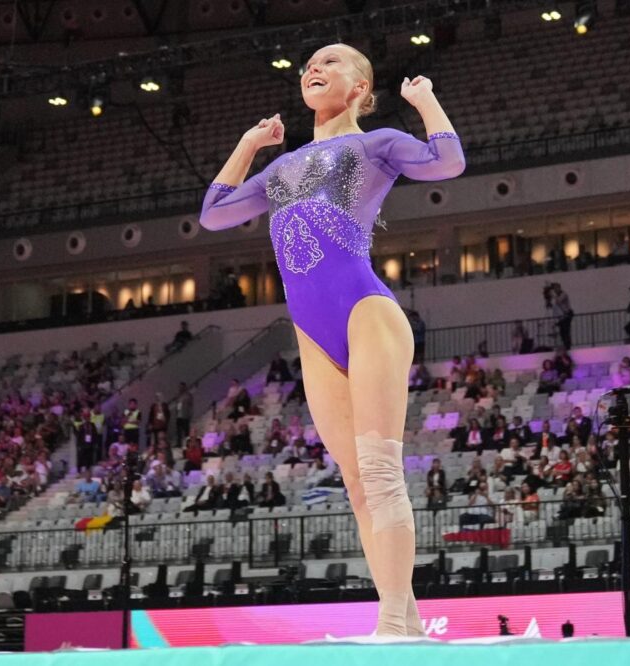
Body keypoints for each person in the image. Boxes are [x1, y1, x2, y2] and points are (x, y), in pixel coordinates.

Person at [199, 42, 465, 637]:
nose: (314, 69)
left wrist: (425, 100)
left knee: (379, 470)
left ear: (362, 88)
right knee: (356, 483)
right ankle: (407, 623)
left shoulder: (377, 143)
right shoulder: (280, 169)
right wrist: (249, 145)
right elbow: (214, 213)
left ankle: (391, 625)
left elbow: (448, 161)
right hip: (312, 332)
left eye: (331, 62)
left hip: (365, 312)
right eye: (308, 66)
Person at [548, 283, 573, 350]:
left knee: (566, 331)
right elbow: (555, 307)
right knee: (562, 332)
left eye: (557, 288)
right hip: (561, 317)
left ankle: (568, 346)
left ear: (559, 288)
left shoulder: (564, 294)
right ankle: (565, 345)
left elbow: (559, 301)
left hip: (567, 315)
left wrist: (553, 295)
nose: (555, 290)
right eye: (554, 288)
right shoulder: (557, 296)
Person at [173, 382, 193, 448]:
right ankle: (179, 443)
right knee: (178, 430)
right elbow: (177, 403)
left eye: (182, 387)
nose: (180, 388)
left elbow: (191, 405)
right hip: (179, 415)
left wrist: (190, 414)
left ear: (185, 387)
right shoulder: (178, 395)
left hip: (185, 415)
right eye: (180, 387)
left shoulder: (188, 395)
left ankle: (187, 443)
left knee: (186, 431)